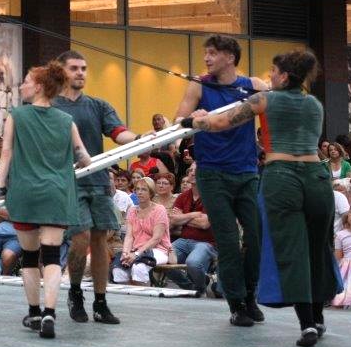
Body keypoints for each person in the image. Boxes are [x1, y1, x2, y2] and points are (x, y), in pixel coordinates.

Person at [187, 49, 337, 347]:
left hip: (283, 177)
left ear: (284, 76)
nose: (269, 76)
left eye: (273, 71)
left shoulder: (265, 99)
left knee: (292, 249)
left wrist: (196, 120)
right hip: (318, 178)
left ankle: (307, 324)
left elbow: (221, 123)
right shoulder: (314, 104)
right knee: (318, 249)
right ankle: (319, 318)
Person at [174, 35, 270, 328]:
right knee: (228, 241)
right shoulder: (199, 84)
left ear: (230, 57)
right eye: (206, 53)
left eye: (213, 53)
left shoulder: (253, 85)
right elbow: (179, 120)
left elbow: (274, 112)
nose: (206, 58)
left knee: (255, 237)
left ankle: (250, 294)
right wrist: (194, 117)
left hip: (246, 172)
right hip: (212, 174)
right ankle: (236, 303)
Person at [0, 62, 92, 340]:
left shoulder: (17, 115)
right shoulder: (66, 120)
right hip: (56, 194)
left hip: (25, 193)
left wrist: (0, 186)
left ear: (38, 86)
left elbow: (6, 153)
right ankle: (50, 312)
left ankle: (34, 312)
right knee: (51, 255)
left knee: (29, 256)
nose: (22, 85)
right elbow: (84, 158)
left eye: (26, 81)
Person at [54, 50, 137, 327]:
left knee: (101, 239)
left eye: (84, 68)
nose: (80, 73)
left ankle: (101, 302)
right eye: (74, 68)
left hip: (99, 181)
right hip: (69, 183)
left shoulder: (98, 105)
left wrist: (140, 138)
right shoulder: (51, 106)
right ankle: (75, 292)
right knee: (81, 237)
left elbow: (118, 133)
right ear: (61, 72)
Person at [114, 177, 171, 285]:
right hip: (135, 249)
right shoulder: (132, 210)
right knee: (119, 270)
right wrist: (125, 253)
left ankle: (143, 295)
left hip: (158, 249)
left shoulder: (159, 210)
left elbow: (156, 238)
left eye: (144, 189)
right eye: (137, 189)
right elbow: (129, 236)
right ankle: (127, 295)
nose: (139, 192)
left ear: (151, 192)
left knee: (139, 267)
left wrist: (136, 254)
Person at [170, 165, 217, 294]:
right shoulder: (182, 196)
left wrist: (182, 217)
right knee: (164, 259)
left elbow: (204, 224)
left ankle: (200, 287)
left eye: (196, 170)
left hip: (206, 243)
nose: (192, 172)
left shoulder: (211, 195)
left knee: (193, 263)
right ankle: (190, 287)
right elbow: (173, 221)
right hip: (183, 240)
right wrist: (193, 215)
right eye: (190, 170)